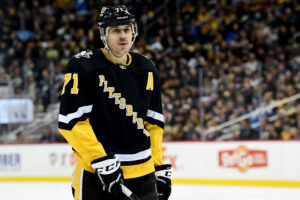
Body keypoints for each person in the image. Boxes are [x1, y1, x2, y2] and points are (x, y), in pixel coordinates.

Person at [58, 5, 172, 200]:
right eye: (116, 30)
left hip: (144, 176)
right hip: (98, 176)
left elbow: (153, 124)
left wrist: (157, 166)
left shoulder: (146, 67)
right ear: (104, 34)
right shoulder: (83, 66)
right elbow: (71, 121)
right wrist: (100, 160)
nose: (123, 36)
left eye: (127, 30)